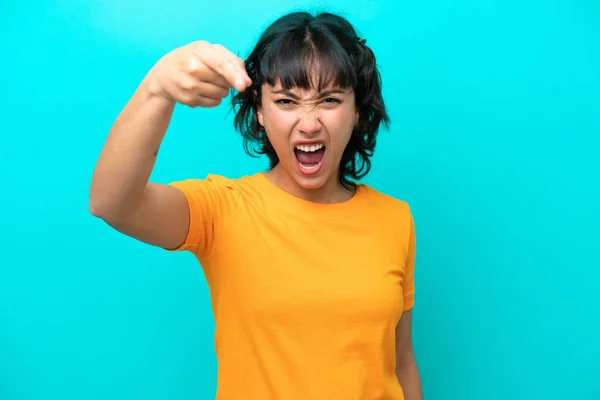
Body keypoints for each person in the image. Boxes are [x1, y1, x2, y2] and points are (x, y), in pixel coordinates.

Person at [89, 10, 423, 400]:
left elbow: (401, 362)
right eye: (286, 101)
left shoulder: (394, 219)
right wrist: (156, 90)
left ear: (357, 111)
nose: (310, 123)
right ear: (261, 112)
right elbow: (111, 204)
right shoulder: (223, 210)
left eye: (329, 99)